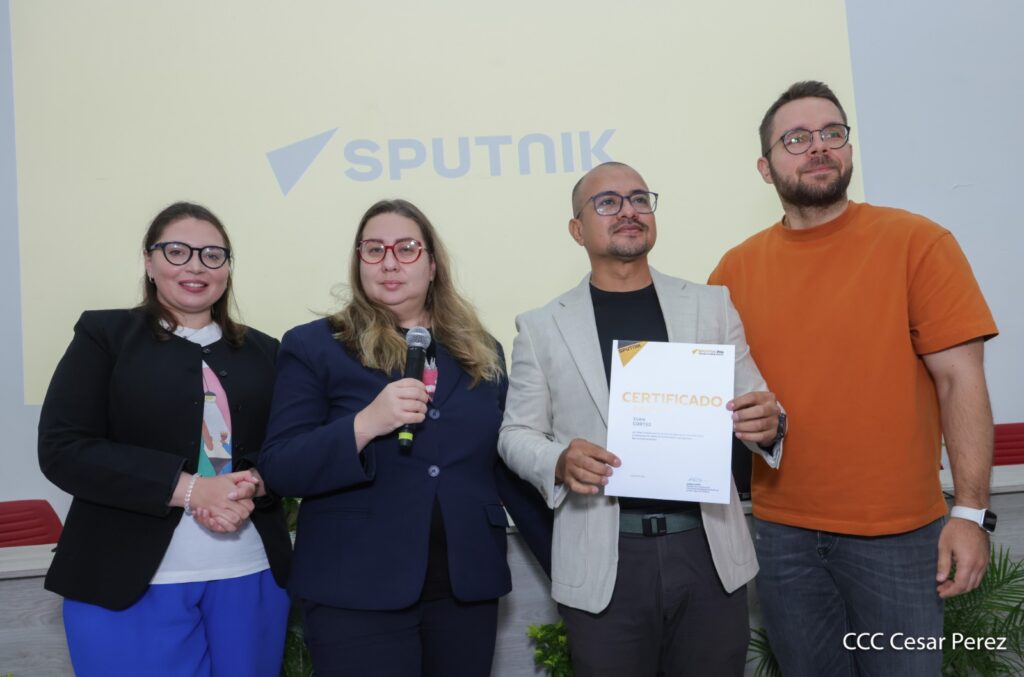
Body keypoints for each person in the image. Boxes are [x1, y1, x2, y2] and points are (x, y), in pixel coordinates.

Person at [708, 80, 999, 676]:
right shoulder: (734, 269)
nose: (818, 146)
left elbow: (961, 382)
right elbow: (713, 398)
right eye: (796, 139)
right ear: (765, 168)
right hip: (783, 537)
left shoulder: (918, 242)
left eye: (832, 133)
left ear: (847, 148)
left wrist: (970, 514)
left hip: (899, 536)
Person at [498, 162, 786, 677]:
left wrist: (769, 424)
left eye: (639, 199)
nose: (628, 210)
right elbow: (515, 434)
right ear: (577, 230)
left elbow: (757, 403)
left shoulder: (711, 305)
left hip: (708, 551)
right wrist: (558, 460)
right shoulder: (542, 327)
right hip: (604, 556)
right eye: (607, 202)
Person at [258, 198, 551, 677]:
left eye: (407, 248)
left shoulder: (481, 350)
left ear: (433, 265)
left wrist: (567, 567)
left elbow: (505, 465)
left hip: (464, 588)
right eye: (374, 249)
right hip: (355, 588)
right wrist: (365, 424)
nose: (390, 262)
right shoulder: (315, 345)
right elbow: (281, 466)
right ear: (358, 263)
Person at [38, 202, 292, 677]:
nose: (196, 266)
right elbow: (63, 449)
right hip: (125, 579)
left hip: (249, 572)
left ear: (227, 269)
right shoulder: (104, 335)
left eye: (212, 255)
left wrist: (252, 483)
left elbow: (288, 449)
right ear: (149, 263)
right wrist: (193, 489)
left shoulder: (267, 350)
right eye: (177, 251)